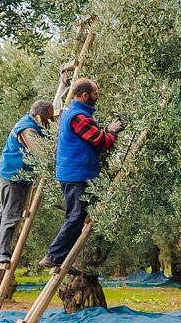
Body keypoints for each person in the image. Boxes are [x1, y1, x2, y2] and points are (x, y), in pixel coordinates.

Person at [41, 78, 125, 269]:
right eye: (95, 93)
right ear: (85, 95)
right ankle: (53, 256)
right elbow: (101, 140)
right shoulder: (78, 117)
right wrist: (111, 131)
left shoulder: (73, 112)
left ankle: (60, 258)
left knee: (77, 216)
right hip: (76, 174)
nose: (98, 96)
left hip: (74, 172)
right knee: (76, 216)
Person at [0, 100, 52, 264]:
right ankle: (2, 254)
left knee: (3, 212)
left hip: (13, 174)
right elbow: (39, 153)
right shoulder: (27, 128)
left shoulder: (35, 122)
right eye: (47, 119)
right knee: (11, 215)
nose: (49, 122)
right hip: (12, 176)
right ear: (39, 116)